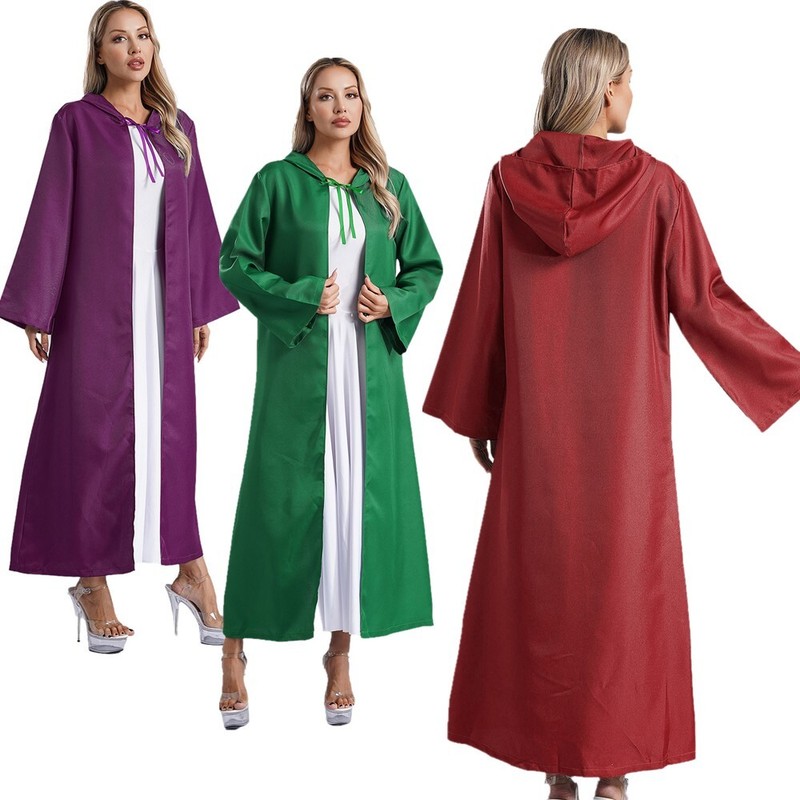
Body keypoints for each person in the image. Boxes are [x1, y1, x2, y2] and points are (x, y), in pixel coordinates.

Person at [424, 28, 800, 800]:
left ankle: (559, 775)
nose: (634, 92)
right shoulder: (657, 187)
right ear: (603, 90)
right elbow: (705, 302)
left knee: (544, 589)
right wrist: (789, 371)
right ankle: (614, 778)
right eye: (628, 78)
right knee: (621, 593)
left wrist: (482, 412)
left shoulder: (507, 182)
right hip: (626, 439)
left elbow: (485, 301)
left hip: (537, 431)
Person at [0, 1, 238, 654]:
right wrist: (39, 305)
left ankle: (191, 571)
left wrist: (198, 305)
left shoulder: (178, 129)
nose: (135, 47)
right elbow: (53, 209)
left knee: (171, 440)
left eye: (143, 36)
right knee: (93, 437)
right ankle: (91, 580)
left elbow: (196, 221)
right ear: (99, 53)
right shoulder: (76, 123)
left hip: (165, 309)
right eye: (119, 38)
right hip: (96, 305)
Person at [217, 57, 442, 729]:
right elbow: (234, 262)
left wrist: (393, 301)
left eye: (350, 95)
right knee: (273, 503)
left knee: (352, 509)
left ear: (362, 107)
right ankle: (233, 651)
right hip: (299, 366)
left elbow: (427, 266)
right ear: (308, 108)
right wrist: (299, 296)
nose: (340, 106)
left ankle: (339, 656)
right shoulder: (277, 182)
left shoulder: (388, 188)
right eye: (326, 95)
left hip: (368, 370)